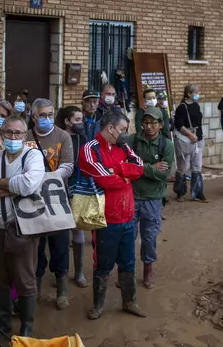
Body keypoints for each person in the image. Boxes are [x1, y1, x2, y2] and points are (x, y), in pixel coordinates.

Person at [0, 116, 45, 337]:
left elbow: (28, 184)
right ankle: (3, 324)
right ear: (2, 134)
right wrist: (10, 187)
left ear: (25, 136)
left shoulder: (33, 156)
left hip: (23, 228)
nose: (13, 137)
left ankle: (26, 328)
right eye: (9, 133)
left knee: (25, 279)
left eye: (18, 133)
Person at [79, 110, 146, 320]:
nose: (126, 134)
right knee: (103, 264)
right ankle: (98, 306)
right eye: (123, 129)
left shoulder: (123, 146)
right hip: (105, 218)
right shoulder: (90, 149)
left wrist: (116, 169)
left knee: (128, 262)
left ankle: (130, 302)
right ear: (110, 128)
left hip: (128, 216)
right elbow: (103, 179)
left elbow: (140, 167)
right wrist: (124, 176)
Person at [25, 99, 74, 311]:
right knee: (35, 245)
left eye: (49, 114)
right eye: (42, 115)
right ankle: (34, 287)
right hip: (30, 199)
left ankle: (61, 289)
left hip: (57, 199)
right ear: (34, 117)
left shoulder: (62, 136)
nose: (46, 118)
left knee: (60, 244)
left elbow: (68, 165)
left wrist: (46, 178)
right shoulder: (26, 137)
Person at [129, 107, 174, 289]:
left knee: (149, 236)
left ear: (161, 124)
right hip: (131, 195)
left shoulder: (166, 145)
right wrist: (150, 168)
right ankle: (127, 271)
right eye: (146, 122)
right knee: (127, 236)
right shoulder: (132, 141)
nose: (149, 127)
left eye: (153, 123)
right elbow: (125, 167)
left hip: (152, 198)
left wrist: (139, 168)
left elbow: (164, 175)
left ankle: (148, 270)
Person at [56, 106, 88, 288]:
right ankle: (61, 272)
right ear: (67, 121)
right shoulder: (59, 138)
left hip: (77, 190)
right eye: (77, 120)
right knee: (59, 233)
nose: (80, 123)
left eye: (81, 119)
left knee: (78, 230)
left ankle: (79, 271)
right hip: (58, 190)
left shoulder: (82, 139)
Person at [173, 84, 208, 202]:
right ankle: (180, 192)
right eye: (196, 92)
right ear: (189, 94)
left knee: (197, 166)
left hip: (198, 139)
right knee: (183, 166)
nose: (198, 94)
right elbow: (179, 125)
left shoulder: (196, 105)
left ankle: (197, 192)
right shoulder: (182, 107)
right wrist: (190, 135)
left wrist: (198, 136)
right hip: (186, 140)